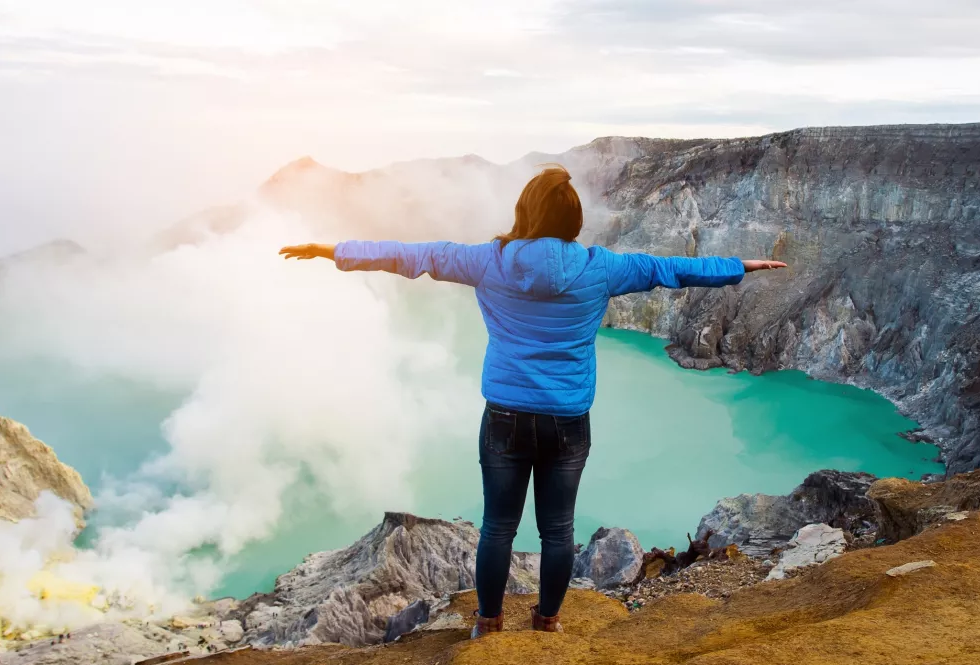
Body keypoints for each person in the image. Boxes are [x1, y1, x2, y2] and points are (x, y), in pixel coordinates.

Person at [279, 165, 785, 638]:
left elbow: (414, 256)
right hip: (568, 419)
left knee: (498, 527)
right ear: (573, 220)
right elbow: (670, 269)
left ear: (524, 212)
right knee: (558, 530)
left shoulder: (489, 261)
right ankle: (547, 622)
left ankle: (488, 623)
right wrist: (738, 266)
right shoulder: (601, 268)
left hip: (505, 416)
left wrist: (334, 250)